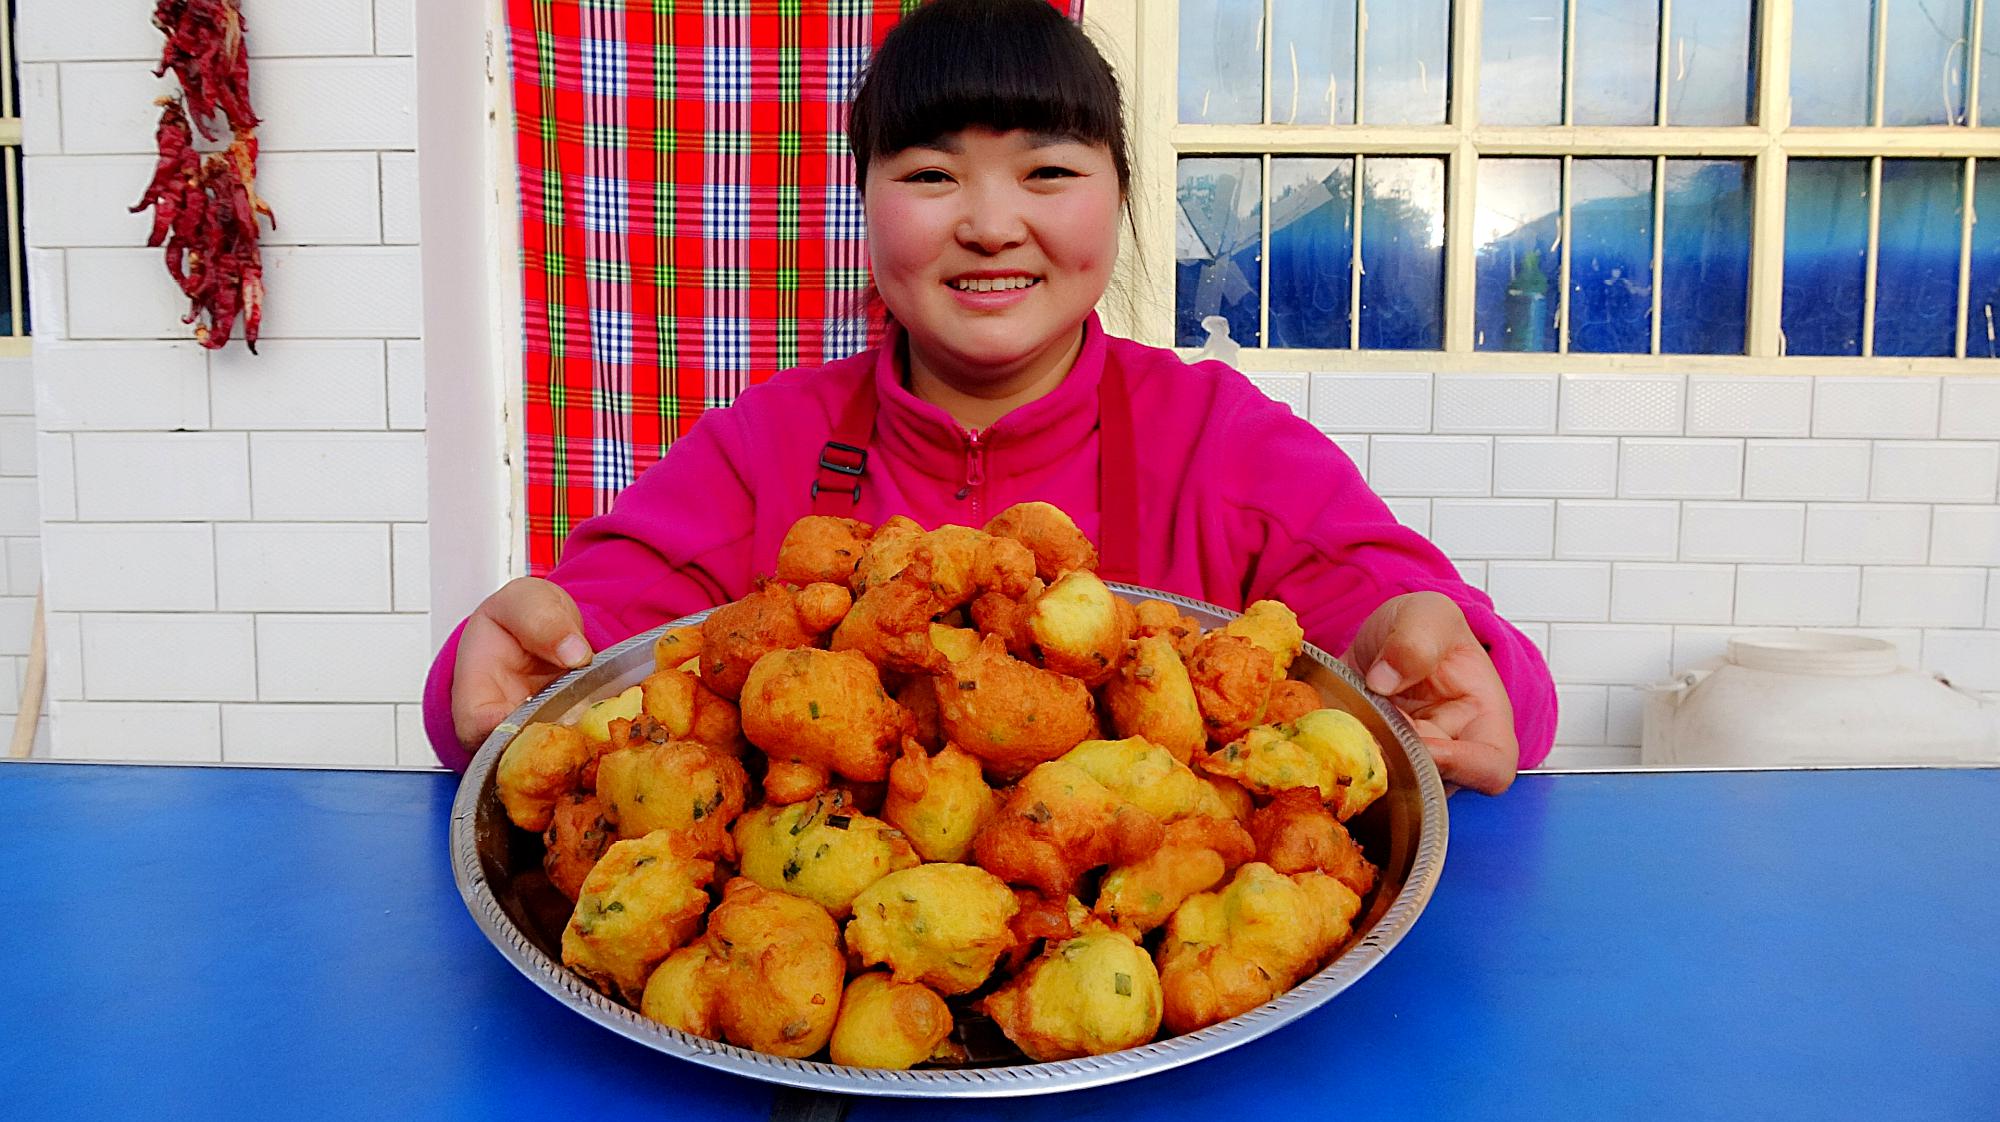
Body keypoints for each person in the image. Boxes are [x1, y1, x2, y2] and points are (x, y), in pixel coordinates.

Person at [426, 0, 1556, 793]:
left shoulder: (1217, 440)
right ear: (864, 207)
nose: (987, 221)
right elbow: (602, 623)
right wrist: (504, 665)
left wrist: (1457, 663)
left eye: (1048, 170)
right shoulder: (762, 447)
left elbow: (1399, 611)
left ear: (1117, 197)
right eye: (928, 174)